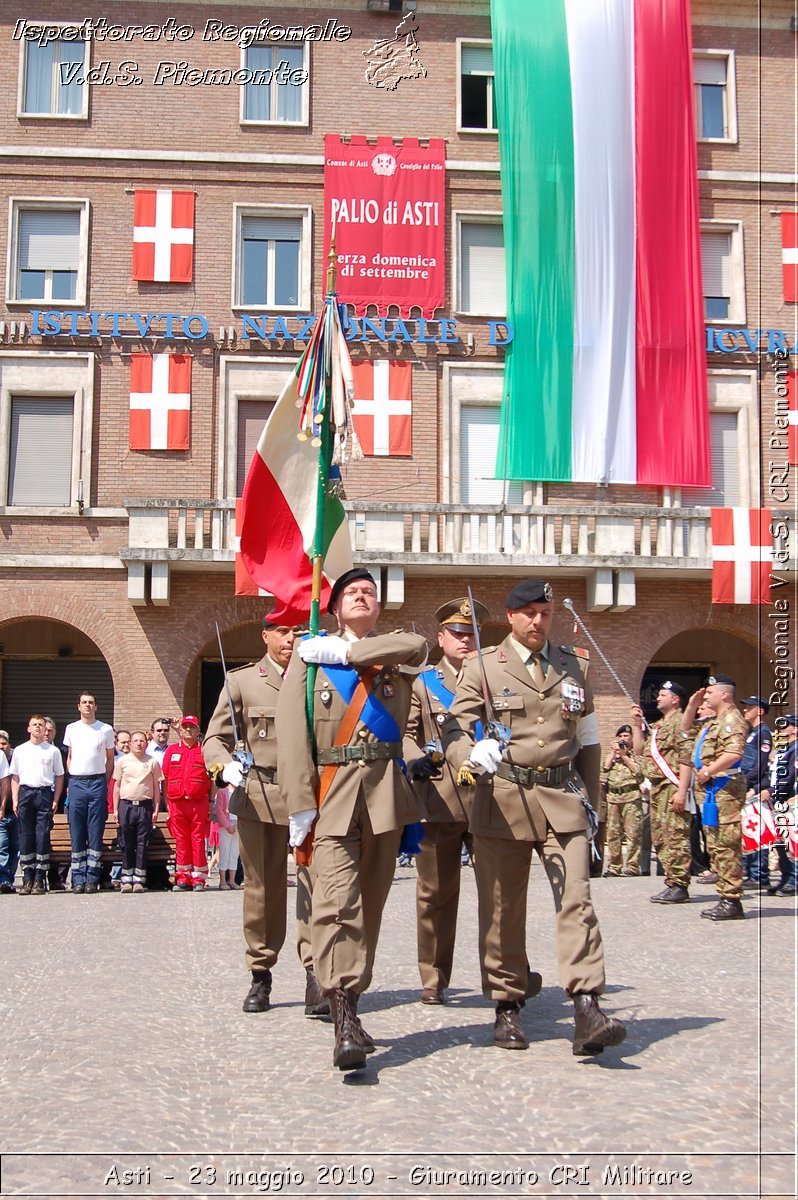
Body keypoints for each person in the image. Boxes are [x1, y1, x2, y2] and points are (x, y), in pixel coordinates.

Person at [443, 578, 626, 1057]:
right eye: (528, 614)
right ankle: (507, 1003)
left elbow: (588, 739)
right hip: (504, 797)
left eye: (545, 614)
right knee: (502, 909)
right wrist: (470, 752)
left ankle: (586, 1003)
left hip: (563, 797)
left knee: (577, 901)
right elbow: (454, 725)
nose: (537, 622)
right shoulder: (483, 666)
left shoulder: (573, 664)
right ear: (511, 616)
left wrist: (595, 808)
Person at [276, 567, 427, 1070]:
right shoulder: (308, 660)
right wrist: (299, 802)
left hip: (385, 796)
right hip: (332, 794)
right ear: (335, 606)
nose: (362, 598)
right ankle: (342, 1016)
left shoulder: (393, 650)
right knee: (337, 906)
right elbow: (293, 736)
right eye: (352, 593)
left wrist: (346, 652)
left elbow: (421, 646)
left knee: (372, 907)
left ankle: (354, 1002)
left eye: (370, 593)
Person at [204, 617, 320, 1015]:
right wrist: (223, 766)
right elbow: (214, 738)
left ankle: (316, 974)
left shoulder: (318, 676)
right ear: (265, 636)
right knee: (262, 889)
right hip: (261, 795)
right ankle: (261, 973)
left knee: (315, 886)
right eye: (283, 631)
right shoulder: (242, 682)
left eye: (298, 631)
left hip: (311, 796)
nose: (291, 639)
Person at [677, 675, 748, 921]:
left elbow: (733, 752)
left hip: (724, 789)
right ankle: (725, 896)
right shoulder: (713, 721)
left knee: (726, 845)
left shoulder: (731, 719)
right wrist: (692, 706)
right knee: (716, 845)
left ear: (724, 694)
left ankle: (732, 901)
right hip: (711, 792)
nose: (705, 696)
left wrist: (708, 770)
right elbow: (684, 731)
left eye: (709, 693)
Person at [631, 681, 692, 904]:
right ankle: (671, 881)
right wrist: (637, 724)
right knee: (661, 837)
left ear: (675, 699)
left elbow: (686, 758)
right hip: (656, 788)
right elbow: (639, 750)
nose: (657, 698)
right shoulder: (657, 726)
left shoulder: (681, 723)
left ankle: (680, 884)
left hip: (671, 786)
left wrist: (682, 791)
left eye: (663, 694)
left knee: (676, 835)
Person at [63, 693, 114, 894]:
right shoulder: (72, 729)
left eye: (91, 702)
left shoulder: (105, 729)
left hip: (97, 782)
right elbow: (70, 756)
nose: (87, 705)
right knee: (76, 830)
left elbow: (110, 758)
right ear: (78, 706)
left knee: (95, 830)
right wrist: (72, 776)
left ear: (96, 706)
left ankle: (92, 878)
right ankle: (77, 878)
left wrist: (105, 780)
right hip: (77, 782)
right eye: (84, 702)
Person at [10, 715, 64, 895]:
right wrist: (15, 799)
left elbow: (59, 776)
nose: (38, 728)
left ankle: (40, 877)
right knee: (25, 835)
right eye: (35, 725)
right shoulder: (20, 750)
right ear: (28, 728)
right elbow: (15, 777)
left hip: (44, 793)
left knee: (42, 835)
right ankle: (27, 877)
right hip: (26, 793)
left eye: (41, 725)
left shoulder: (52, 751)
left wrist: (55, 799)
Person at [162, 716, 212, 891]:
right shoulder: (171, 751)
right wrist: (167, 802)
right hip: (177, 803)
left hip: (199, 803)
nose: (188, 730)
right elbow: (165, 778)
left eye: (192, 727)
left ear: (198, 731)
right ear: (180, 730)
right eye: (185, 727)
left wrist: (211, 802)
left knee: (198, 840)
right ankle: (183, 878)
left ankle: (199, 879)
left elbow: (211, 780)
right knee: (181, 840)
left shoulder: (204, 751)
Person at [112, 730, 163, 893]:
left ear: (146, 743)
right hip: (126, 806)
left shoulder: (153, 762)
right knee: (126, 843)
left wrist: (156, 809)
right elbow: (117, 786)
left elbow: (156, 788)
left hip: (145, 806)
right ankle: (126, 879)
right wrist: (115, 808)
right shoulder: (122, 762)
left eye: (142, 740)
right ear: (130, 743)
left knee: (142, 843)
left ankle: (139, 879)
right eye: (135, 741)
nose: (139, 743)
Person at [600, 724, 645, 876]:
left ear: (632, 738)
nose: (622, 739)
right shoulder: (614, 755)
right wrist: (614, 753)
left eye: (626, 736)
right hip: (613, 797)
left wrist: (625, 756)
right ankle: (614, 866)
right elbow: (605, 768)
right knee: (612, 834)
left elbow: (639, 772)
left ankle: (633, 866)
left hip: (631, 797)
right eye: (620, 737)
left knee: (633, 833)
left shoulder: (635, 754)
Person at [739, 697, 772, 888]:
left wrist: (746, 784)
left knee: (758, 831)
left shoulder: (763, 734)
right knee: (750, 831)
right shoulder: (752, 733)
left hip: (755, 787)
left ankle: (760, 875)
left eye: (750, 707)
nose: (745, 710)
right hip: (748, 785)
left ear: (760, 711)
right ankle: (751, 873)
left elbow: (759, 765)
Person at [764, 714, 798, 896]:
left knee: (791, 842)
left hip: (789, 799)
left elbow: (791, 776)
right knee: (780, 842)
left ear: (795, 729)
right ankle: (786, 877)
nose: (780, 730)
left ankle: (794, 880)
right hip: (779, 798)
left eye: (785, 726)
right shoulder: (785, 749)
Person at [213, 786, 240, 890]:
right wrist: (227, 826)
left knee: (234, 853)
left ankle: (232, 881)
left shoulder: (240, 790)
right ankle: (222, 881)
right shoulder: (222, 792)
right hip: (225, 827)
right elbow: (219, 811)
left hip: (238, 826)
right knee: (224, 852)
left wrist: (238, 825)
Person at [0, 742, 18, 893]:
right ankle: (4, 880)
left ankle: (8, 879)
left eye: (4, 743)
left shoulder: (15, 758)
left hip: (15, 812)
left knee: (15, 849)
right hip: (3, 814)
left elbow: (6, 783)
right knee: (2, 847)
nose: (1, 746)